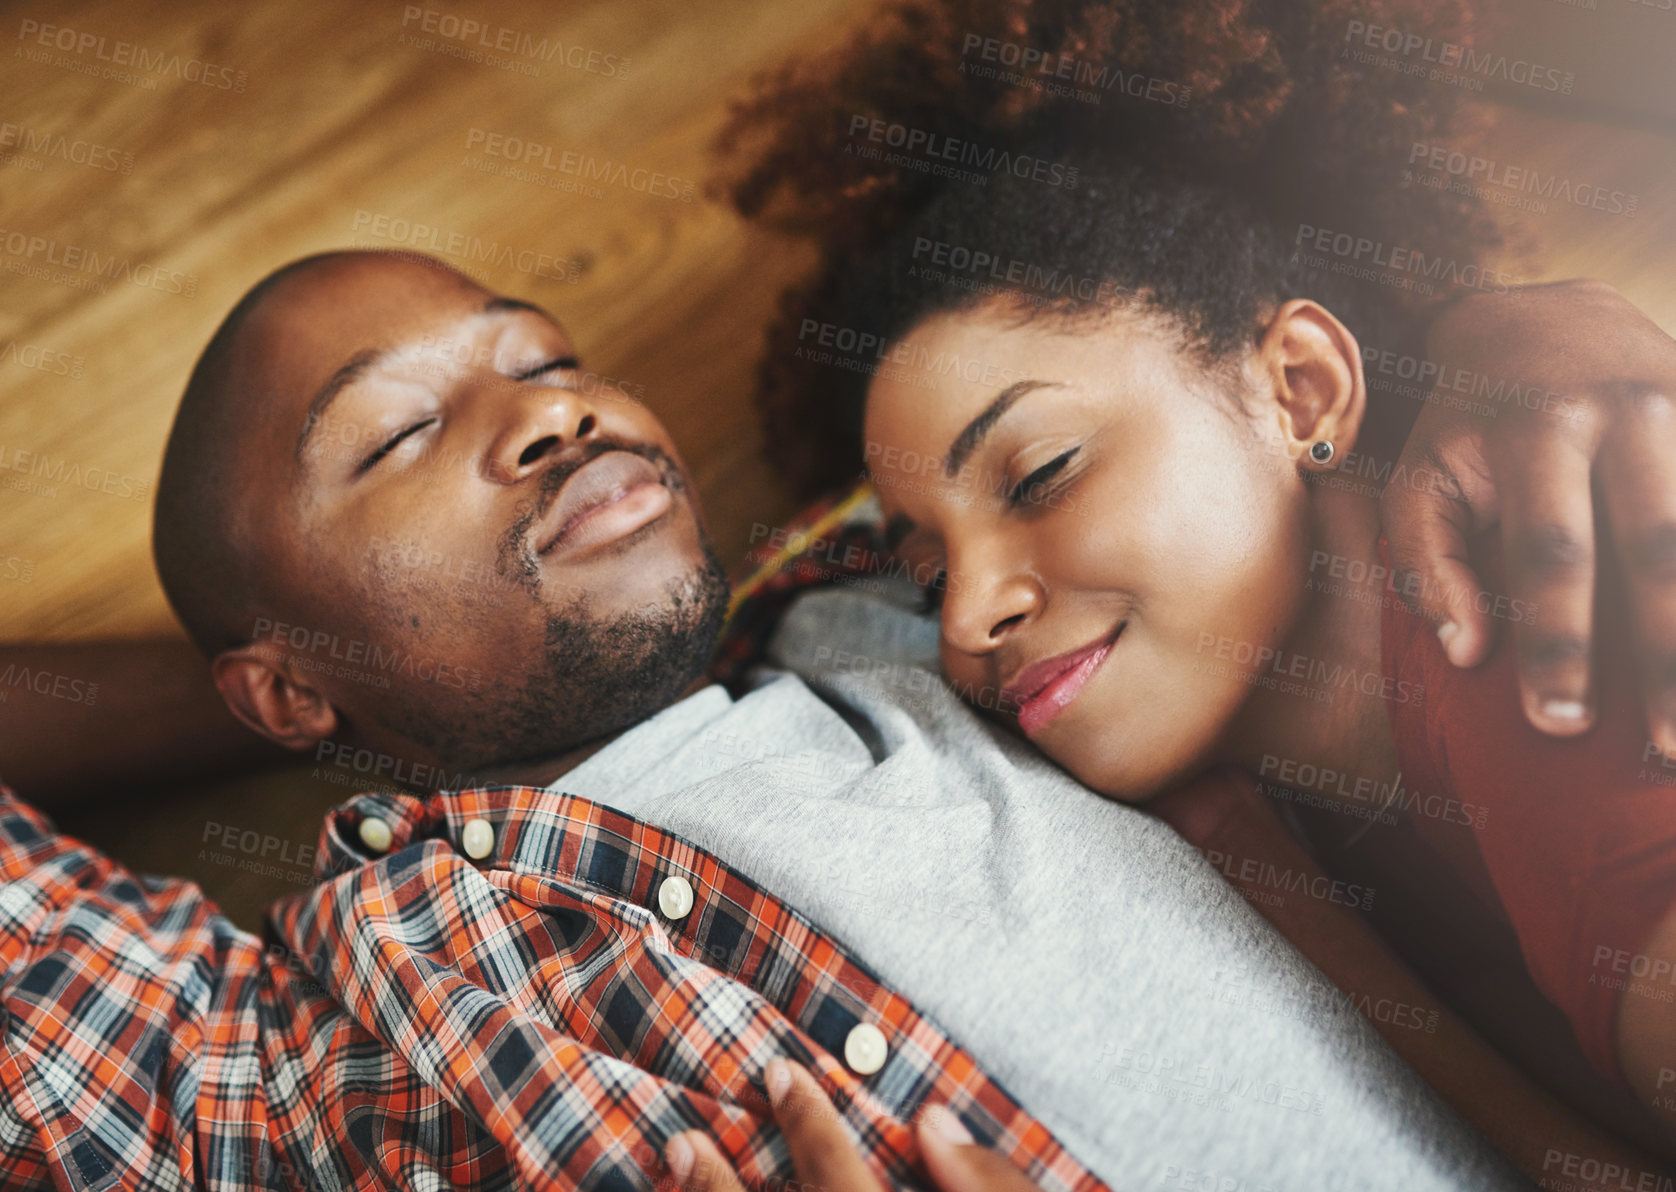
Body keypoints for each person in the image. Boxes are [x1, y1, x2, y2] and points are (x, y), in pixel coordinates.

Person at [0, 247, 1667, 1192]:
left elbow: (1183, 351)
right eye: (399, 434)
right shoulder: (316, 1029)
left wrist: (1507, 322)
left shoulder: (916, 608)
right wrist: (313, 677)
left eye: (550, 357)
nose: (551, 411)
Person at [714, 0, 1676, 1159]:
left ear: (1301, 388)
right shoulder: (1298, 829)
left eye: (1040, 475)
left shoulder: (1546, 645)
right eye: (926, 579)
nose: (968, 618)